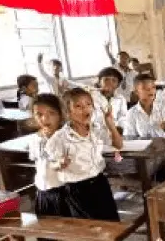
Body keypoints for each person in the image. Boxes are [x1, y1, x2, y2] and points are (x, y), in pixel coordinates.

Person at [45, 88, 122, 221]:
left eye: (88, 104)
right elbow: (52, 164)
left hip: (100, 183)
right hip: (78, 189)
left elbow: (118, 145)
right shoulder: (60, 138)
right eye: (78, 106)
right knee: (92, 229)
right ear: (68, 112)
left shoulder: (96, 129)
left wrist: (110, 124)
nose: (85, 109)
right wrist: (59, 164)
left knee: (112, 224)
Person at [28, 94, 67, 217]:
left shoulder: (66, 137)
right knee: (45, 230)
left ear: (60, 115)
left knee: (66, 230)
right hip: (42, 191)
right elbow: (38, 162)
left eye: (51, 113)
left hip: (63, 192)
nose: (45, 119)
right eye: (39, 114)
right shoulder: (35, 139)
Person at [123, 74, 165, 139]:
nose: (150, 90)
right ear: (136, 92)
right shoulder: (131, 113)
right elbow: (129, 137)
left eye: (153, 87)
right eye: (145, 88)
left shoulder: (162, 108)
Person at [90, 67, 128, 145]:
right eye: (106, 79)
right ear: (99, 82)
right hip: (94, 136)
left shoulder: (120, 99)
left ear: (118, 84)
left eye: (114, 80)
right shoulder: (91, 96)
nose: (110, 83)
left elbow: (123, 117)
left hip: (114, 135)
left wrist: (119, 128)